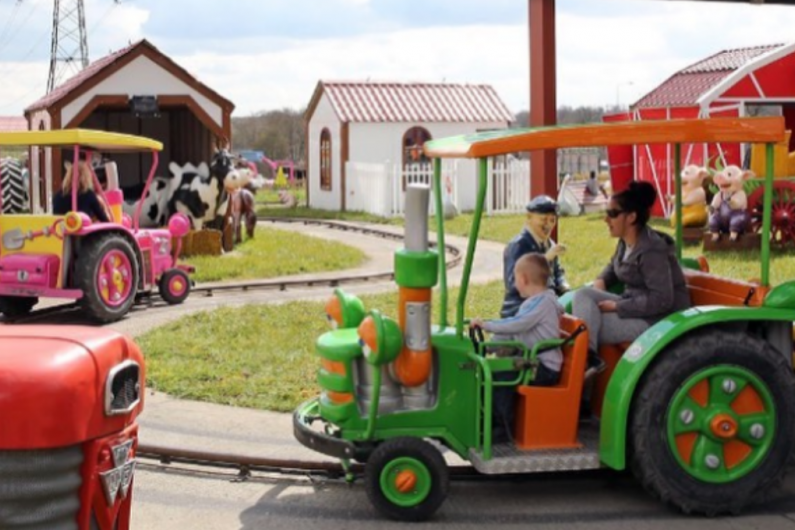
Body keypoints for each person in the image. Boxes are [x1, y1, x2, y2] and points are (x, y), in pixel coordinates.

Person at [572, 181, 690, 363]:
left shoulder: (652, 250)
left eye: (612, 214)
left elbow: (663, 300)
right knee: (582, 296)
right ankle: (588, 360)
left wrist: (618, 307)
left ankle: (585, 363)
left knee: (586, 328)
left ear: (631, 217)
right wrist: (601, 280)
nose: (606, 220)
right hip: (635, 306)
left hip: (658, 321)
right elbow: (613, 266)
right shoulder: (626, 242)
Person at [472, 254, 564, 443]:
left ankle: (502, 429)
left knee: (500, 375)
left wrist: (486, 325)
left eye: (515, 278)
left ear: (522, 279)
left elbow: (517, 324)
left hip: (545, 368)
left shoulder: (542, 303)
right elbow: (511, 332)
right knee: (490, 369)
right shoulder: (534, 303)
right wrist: (487, 346)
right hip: (533, 362)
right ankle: (485, 419)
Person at [500, 195, 569, 318]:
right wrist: (544, 260)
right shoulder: (518, 245)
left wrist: (564, 287)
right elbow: (513, 283)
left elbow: (557, 272)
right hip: (521, 308)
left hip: (547, 305)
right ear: (529, 218)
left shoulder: (550, 244)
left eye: (552, 220)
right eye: (543, 219)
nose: (548, 225)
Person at [52, 157, 110, 222]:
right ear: (87, 177)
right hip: (81, 229)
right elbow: (103, 218)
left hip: (61, 229)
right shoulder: (88, 195)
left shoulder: (58, 195)